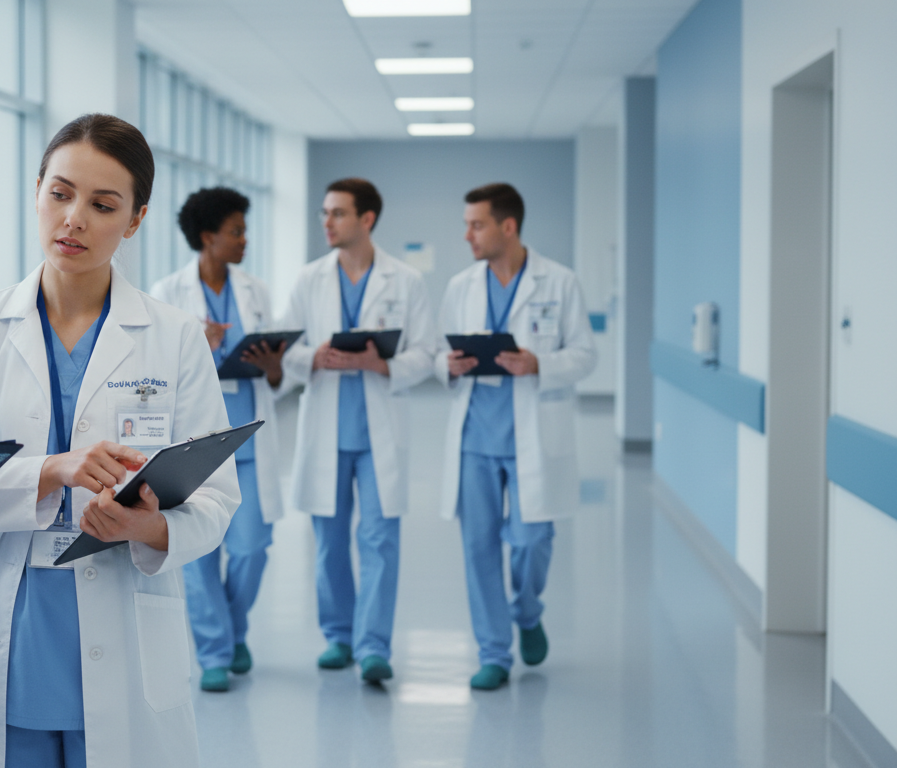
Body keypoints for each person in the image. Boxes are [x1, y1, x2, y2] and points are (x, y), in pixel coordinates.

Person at [0, 114, 240, 768]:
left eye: (102, 204)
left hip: (123, 620)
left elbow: (216, 501)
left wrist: (146, 528)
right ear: (36, 191)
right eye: (60, 194)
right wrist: (54, 470)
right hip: (5, 624)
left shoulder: (173, 336)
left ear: (136, 219)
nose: (75, 219)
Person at [435, 183, 597, 691]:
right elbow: (440, 356)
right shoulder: (461, 286)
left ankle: (527, 612)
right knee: (479, 549)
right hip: (474, 441)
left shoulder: (560, 282)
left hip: (534, 437)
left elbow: (586, 355)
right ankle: (493, 652)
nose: (467, 235)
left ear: (508, 226)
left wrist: (538, 363)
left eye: (476, 224)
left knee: (530, 543)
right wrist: (451, 366)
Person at [278, 178, 434, 683]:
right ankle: (339, 636)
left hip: (378, 430)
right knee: (328, 544)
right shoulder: (309, 279)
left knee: (380, 539)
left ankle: (372, 646)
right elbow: (285, 348)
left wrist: (380, 363)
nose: (327, 222)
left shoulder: (406, 281)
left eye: (338, 213)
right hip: (327, 427)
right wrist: (313, 356)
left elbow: (426, 353)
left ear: (367, 220)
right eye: (325, 212)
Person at [149, 186, 288, 692]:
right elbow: (155, 376)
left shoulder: (256, 291)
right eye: (236, 231)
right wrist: (196, 348)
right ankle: (215, 651)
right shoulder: (166, 294)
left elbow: (278, 371)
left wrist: (275, 367)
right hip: (200, 443)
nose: (244, 240)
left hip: (248, 434)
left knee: (253, 547)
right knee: (200, 551)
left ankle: (231, 631)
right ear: (208, 237)